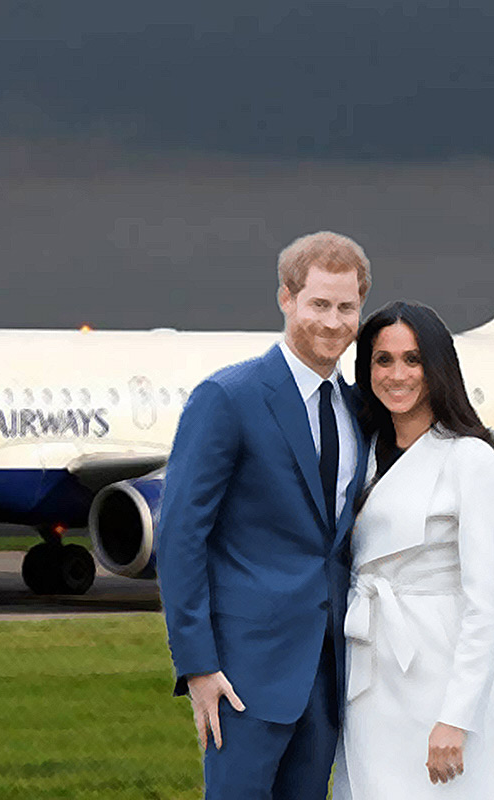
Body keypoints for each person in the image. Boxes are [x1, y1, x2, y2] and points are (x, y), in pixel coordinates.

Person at [157, 231, 370, 799]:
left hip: (328, 671)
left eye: (346, 306)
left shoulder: (356, 410)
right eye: (318, 303)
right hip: (241, 675)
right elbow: (180, 538)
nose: (332, 321)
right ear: (286, 299)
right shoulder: (228, 397)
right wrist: (198, 666)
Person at [333, 300, 494, 798]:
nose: (397, 374)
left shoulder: (470, 460)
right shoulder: (363, 455)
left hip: (437, 674)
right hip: (369, 669)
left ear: (437, 367)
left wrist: (456, 719)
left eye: (413, 360)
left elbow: (485, 607)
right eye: (383, 360)